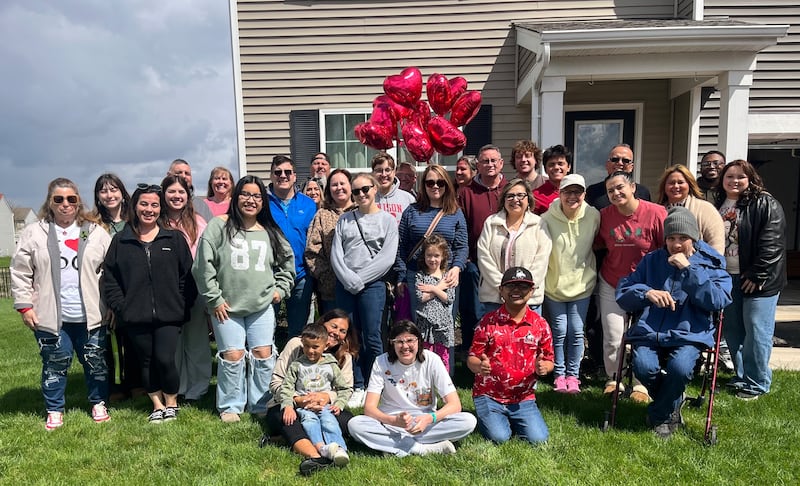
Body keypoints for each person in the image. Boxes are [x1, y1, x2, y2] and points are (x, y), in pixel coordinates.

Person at [617, 206, 732, 438]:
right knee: (643, 367)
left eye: (683, 238)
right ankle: (672, 403)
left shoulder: (711, 263)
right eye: (671, 238)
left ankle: (661, 413)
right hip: (651, 331)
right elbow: (624, 292)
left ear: (694, 238)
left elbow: (719, 299)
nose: (676, 244)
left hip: (691, 332)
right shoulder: (652, 261)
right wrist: (646, 293)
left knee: (679, 368)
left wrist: (690, 271)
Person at [12, 178, 112, 430]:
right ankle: (55, 409)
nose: (65, 204)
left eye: (71, 199)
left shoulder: (95, 231)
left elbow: (112, 271)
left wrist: (111, 305)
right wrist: (25, 306)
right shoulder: (34, 232)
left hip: (91, 315)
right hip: (51, 316)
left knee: (95, 362)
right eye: (59, 199)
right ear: (50, 202)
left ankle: (98, 402)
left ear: (79, 201)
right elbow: (21, 271)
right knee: (55, 364)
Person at [193, 175, 295, 422]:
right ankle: (231, 405)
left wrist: (280, 289)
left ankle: (261, 404)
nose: (251, 200)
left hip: (261, 306)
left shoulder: (270, 231)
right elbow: (202, 266)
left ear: (263, 201)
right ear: (236, 197)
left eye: (257, 196)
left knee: (263, 354)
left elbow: (288, 264)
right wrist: (214, 298)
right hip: (226, 307)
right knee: (233, 355)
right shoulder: (219, 225)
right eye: (245, 194)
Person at [103, 183, 196, 423]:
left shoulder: (173, 239)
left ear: (160, 208)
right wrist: (122, 307)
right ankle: (156, 404)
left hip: (169, 314)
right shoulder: (121, 241)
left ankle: (172, 402)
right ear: (134, 206)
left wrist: (181, 305)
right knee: (146, 361)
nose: (149, 209)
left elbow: (187, 276)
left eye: (154, 205)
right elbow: (110, 278)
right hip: (135, 315)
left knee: (165, 359)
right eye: (144, 204)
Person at [348, 320, 477, 456]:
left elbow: (455, 405)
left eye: (410, 340)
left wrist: (429, 418)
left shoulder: (432, 360)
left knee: (468, 421)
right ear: (392, 344)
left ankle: (392, 446)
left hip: (425, 424)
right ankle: (422, 449)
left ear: (418, 341)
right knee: (355, 424)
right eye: (399, 342)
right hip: (391, 425)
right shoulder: (381, 362)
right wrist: (394, 421)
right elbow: (369, 408)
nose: (405, 346)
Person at [714, 160, 786, 400]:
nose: (734, 181)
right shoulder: (719, 204)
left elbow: (772, 243)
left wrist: (757, 274)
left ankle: (757, 383)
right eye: (729, 176)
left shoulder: (765, 203)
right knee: (733, 330)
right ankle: (742, 375)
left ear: (750, 179)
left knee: (756, 330)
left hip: (758, 280)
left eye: (740, 177)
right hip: (728, 277)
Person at [595, 171, 666, 402]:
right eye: (610, 191)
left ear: (632, 187)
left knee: (643, 335)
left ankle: (640, 383)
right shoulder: (604, 216)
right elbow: (594, 244)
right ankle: (614, 379)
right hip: (613, 282)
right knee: (614, 336)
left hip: (648, 285)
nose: (615, 193)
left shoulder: (656, 213)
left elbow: (668, 247)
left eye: (619, 187)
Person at [331, 173, 399, 408]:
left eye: (365, 189)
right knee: (350, 336)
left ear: (375, 189)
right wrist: (348, 279)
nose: (361, 194)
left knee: (373, 336)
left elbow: (387, 258)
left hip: (372, 286)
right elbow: (336, 255)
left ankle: (376, 385)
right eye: (356, 190)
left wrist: (360, 279)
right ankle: (357, 384)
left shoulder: (387, 221)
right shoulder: (345, 220)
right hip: (345, 285)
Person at [468, 267, 554, 445]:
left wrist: (545, 367)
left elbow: (549, 360)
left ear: (531, 292)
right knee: (499, 437)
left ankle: (513, 420)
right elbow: (472, 359)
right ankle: (496, 419)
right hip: (489, 395)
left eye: (523, 286)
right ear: (501, 290)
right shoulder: (488, 321)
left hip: (524, 398)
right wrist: (479, 367)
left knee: (539, 440)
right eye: (510, 286)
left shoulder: (540, 324)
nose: (516, 290)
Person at [268, 309, 359, 476]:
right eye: (334, 326)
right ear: (322, 323)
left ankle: (328, 449)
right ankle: (317, 456)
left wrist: (326, 397)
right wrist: (298, 399)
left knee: (348, 421)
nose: (336, 333)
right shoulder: (298, 344)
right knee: (289, 420)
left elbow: (346, 389)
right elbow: (276, 382)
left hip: (324, 407)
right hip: (291, 403)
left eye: (342, 331)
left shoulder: (343, 356)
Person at [540, 174, 600, 394]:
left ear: (584, 194)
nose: (572, 196)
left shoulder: (593, 215)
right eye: (568, 192)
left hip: (582, 284)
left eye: (577, 192)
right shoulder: (546, 218)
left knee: (576, 331)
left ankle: (573, 376)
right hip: (554, 284)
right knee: (559, 331)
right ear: (560, 193)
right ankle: (559, 374)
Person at [161, 174, 211, 402]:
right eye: (172, 192)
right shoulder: (158, 222)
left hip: (195, 287)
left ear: (188, 195)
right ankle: (177, 386)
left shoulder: (199, 222)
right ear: (164, 195)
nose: (177, 196)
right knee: (173, 343)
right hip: (167, 290)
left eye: (181, 192)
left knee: (197, 340)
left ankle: (197, 388)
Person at [395, 164, 467, 324]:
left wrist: (456, 268)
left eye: (440, 182)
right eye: (430, 182)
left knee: (444, 326)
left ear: (446, 185)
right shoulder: (411, 211)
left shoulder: (455, 212)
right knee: (417, 326)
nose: (435, 186)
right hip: (416, 276)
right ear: (424, 185)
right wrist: (401, 276)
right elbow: (401, 246)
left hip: (446, 277)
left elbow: (461, 246)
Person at [92, 173, 142, 402]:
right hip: (104, 288)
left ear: (122, 193)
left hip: (133, 287)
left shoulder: (136, 220)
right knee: (108, 339)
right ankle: (114, 386)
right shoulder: (93, 224)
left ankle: (136, 382)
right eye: (104, 191)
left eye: (113, 190)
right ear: (98, 196)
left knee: (133, 338)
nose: (109, 195)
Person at [457, 144, 509, 352]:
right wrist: (467, 257)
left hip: (506, 260)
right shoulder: (466, 193)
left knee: (503, 309)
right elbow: (462, 227)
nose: (489, 165)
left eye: (493, 160)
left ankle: (502, 351)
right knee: (476, 310)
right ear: (477, 165)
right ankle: (474, 354)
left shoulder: (510, 188)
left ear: (501, 163)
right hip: (475, 262)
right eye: (485, 161)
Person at [279, 323, 352, 467]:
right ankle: (321, 449)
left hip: (325, 406)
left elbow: (344, 388)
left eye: (315, 347)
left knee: (329, 422)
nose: (310, 351)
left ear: (325, 345)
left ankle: (339, 449)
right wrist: (288, 406)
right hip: (305, 408)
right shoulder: (297, 365)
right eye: (306, 346)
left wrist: (339, 405)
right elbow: (286, 388)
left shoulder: (331, 365)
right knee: (310, 422)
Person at [477, 178, 552, 314]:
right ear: (504, 200)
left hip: (529, 299)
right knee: (493, 335)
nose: (515, 199)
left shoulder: (539, 224)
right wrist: (503, 286)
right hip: (494, 298)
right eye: (510, 196)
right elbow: (483, 257)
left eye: (520, 195)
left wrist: (523, 288)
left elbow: (541, 261)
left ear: (528, 199)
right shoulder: (491, 223)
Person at [268, 155, 317, 338]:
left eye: (288, 172)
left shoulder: (309, 204)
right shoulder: (262, 203)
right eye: (278, 172)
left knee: (298, 330)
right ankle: (268, 365)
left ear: (295, 176)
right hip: (270, 274)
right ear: (271, 176)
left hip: (301, 275)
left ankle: (293, 364)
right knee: (266, 328)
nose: (283, 176)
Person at [305, 168, 353, 313]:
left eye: (342, 183)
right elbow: (312, 252)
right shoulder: (322, 215)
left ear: (350, 186)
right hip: (331, 292)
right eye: (334, 185)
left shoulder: (361, 212)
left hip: (361, 288)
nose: (339, 188)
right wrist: (327, 278)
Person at [655, 164, 725, 254]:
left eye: (680, 182)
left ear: (689, 185)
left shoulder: (706, 209)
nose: (676, 186)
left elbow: (716, 244)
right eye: (671, 183)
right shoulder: (657, 211)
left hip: (698, 265)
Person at [414, 235, 457, 372]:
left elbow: (449, 298)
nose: (432, 259)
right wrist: (439, 287)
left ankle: (443, 385)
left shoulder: (448, 277)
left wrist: (432, 288)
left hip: (442, 325)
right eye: (429, 255)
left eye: (436, 256)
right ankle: (426, 384)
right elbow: (421, 297)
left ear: (443, 256)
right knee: (425, 355)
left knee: (442, 356)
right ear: (424, 256)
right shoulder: (420, 276)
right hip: (424, 324)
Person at [585, 144, 651, 209]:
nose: (620, 163)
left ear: (631, 167)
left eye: (625, 160)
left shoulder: (643, 192)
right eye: (615, 159)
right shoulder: (593, 191)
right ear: (607, 165)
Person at [370, 152, 415, 225]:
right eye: (379, 170)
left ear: (394, 172)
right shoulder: (367, 198)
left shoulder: (408, 199)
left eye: (387, 170)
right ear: (373, 173)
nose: (384, 174)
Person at [532, 144, 573, 215]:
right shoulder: (535, 197)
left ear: (568, 167)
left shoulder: (577, 192)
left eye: (560, 164)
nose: (556, 167)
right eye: (551, 164)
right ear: (545, 169)